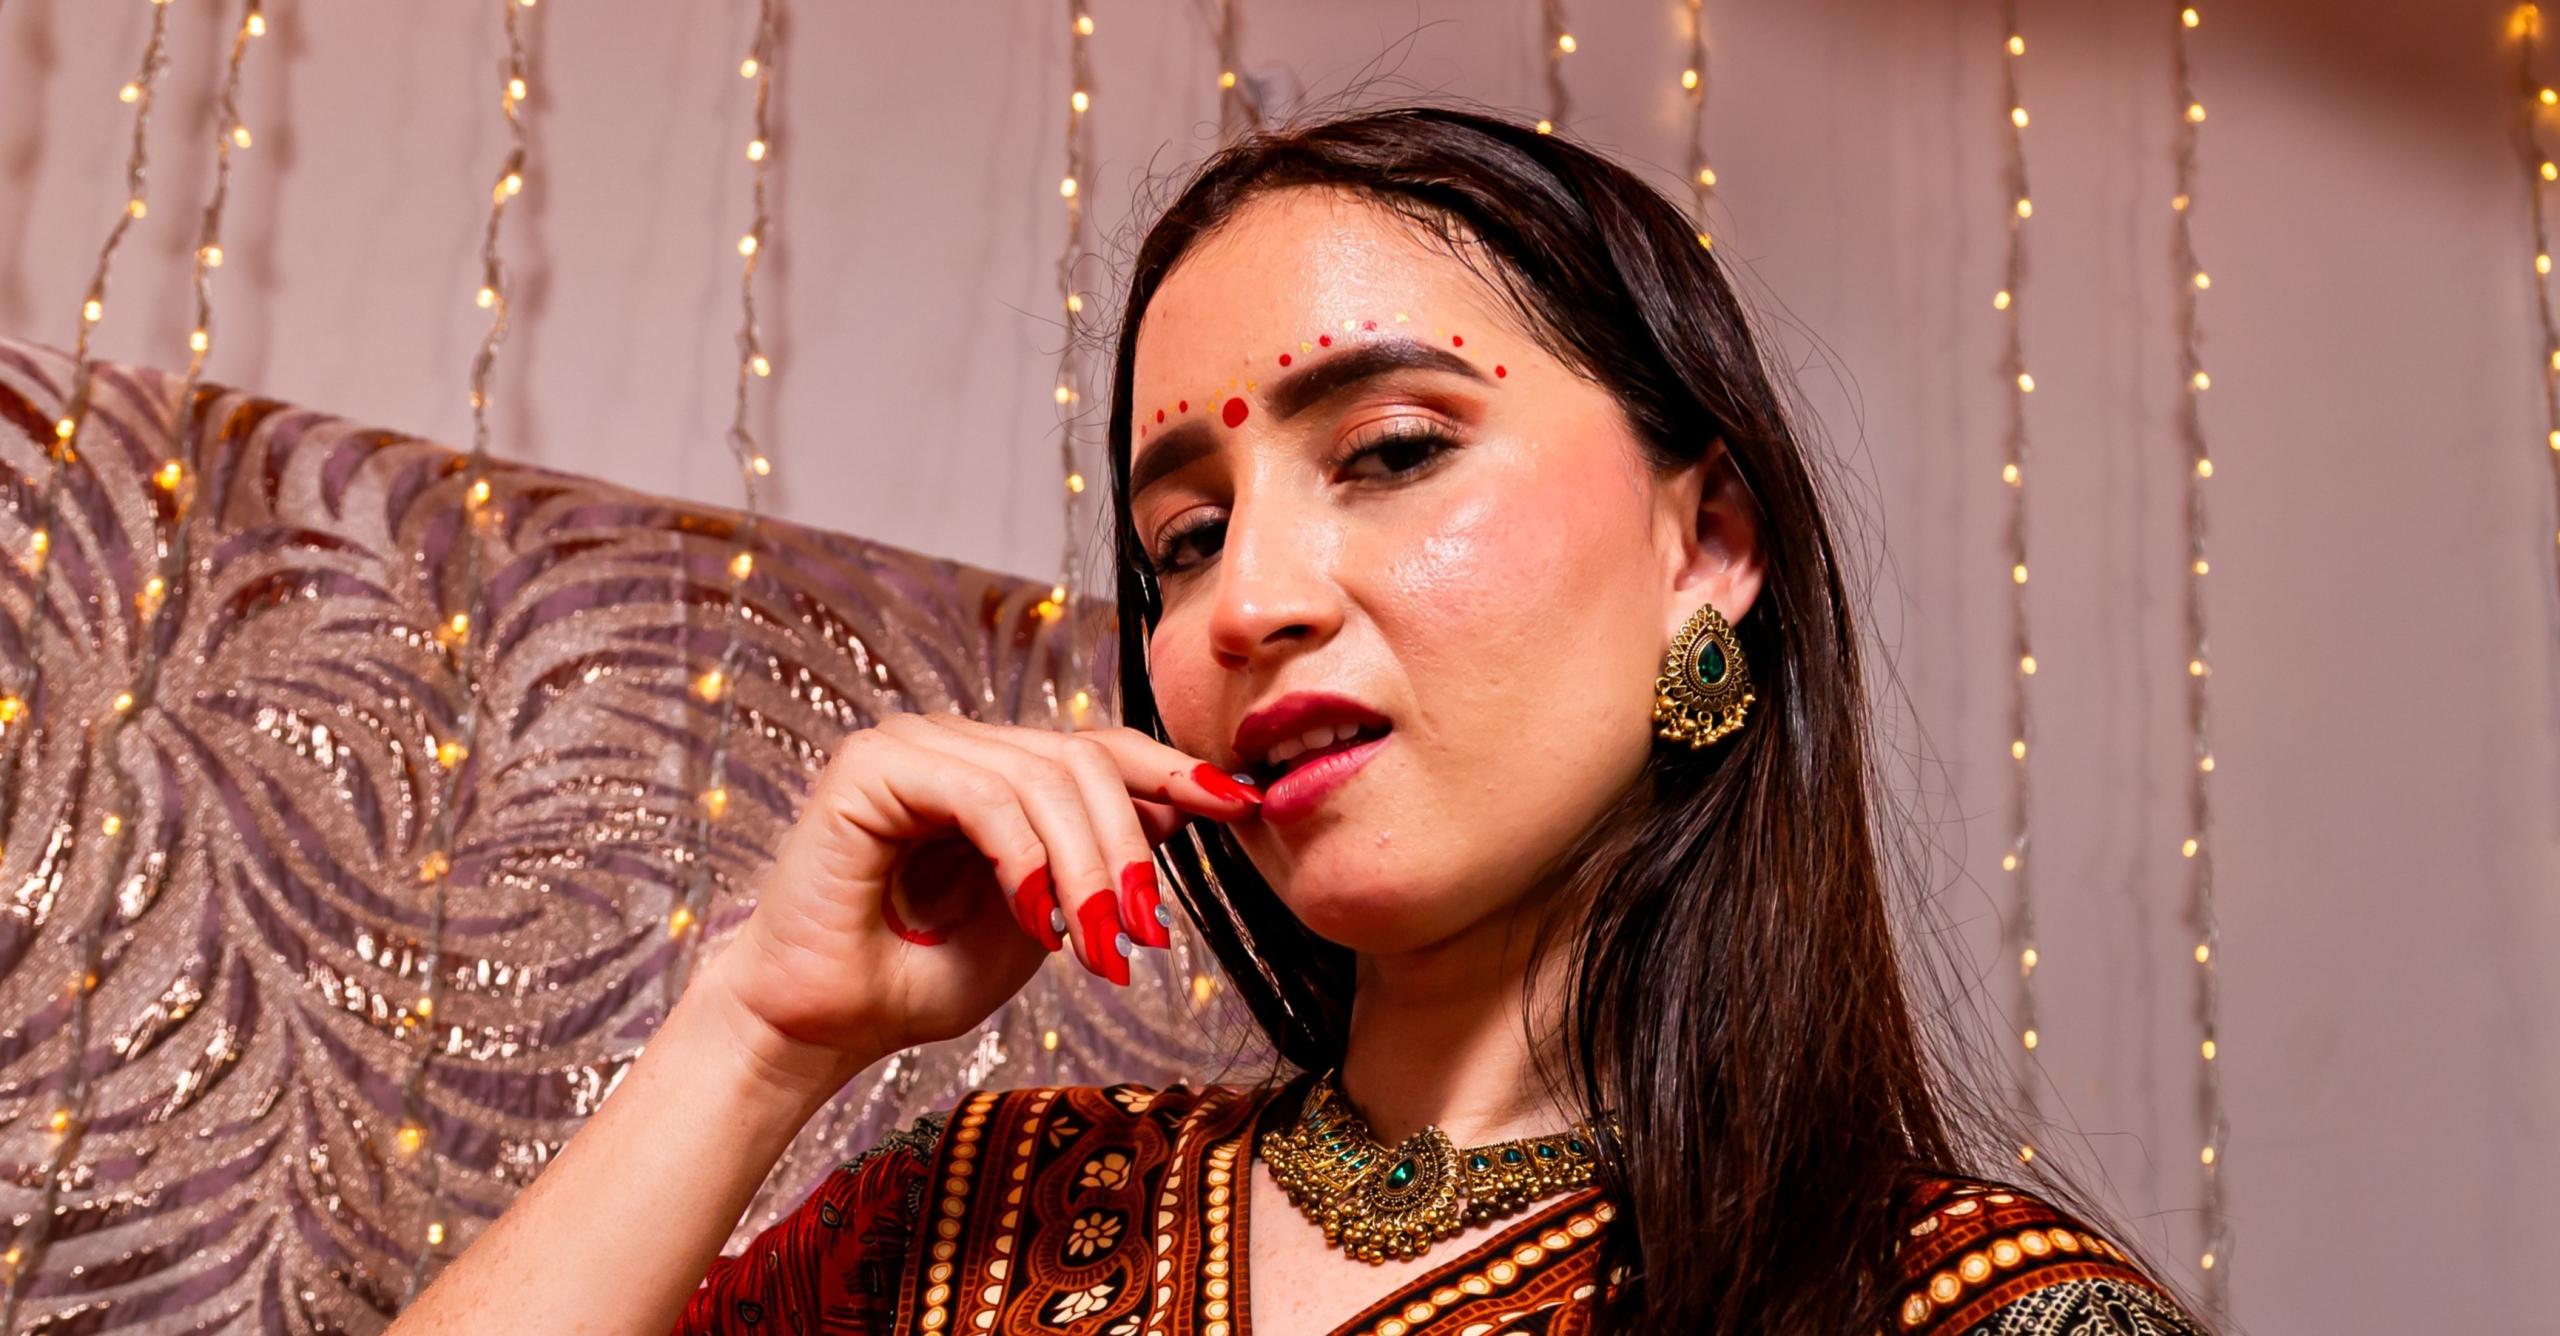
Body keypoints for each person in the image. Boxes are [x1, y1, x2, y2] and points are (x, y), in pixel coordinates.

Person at [385, 105, 2218, 1335]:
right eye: (1183, 542)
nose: (1243, 603)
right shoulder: (970, 1223)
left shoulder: (1977, 1312)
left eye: (1395, 452)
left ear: (1706, 546)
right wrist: (755, 1038)